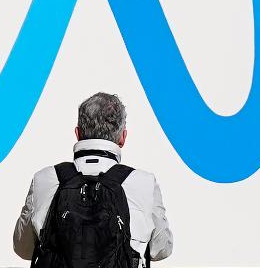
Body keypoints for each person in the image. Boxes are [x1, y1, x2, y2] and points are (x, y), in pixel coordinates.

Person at [13, 92, 173, 268]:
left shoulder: (44, 179)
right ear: (122, 137)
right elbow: (161, 249)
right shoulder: (144, 182)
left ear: (77, 133)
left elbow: (23, 248)